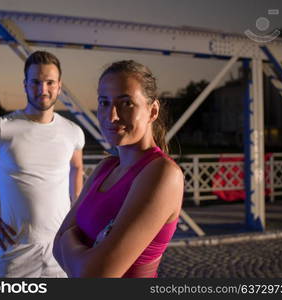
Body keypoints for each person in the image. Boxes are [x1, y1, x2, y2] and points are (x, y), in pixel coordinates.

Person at [0, 51, 85, 278]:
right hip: (16, 250)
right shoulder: (1, 128)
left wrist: (79, 215)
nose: (43, 89)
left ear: (59, 86)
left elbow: (77, 168)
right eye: (35, 82)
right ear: (25, 85)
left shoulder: (73, 132)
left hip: (61, 248)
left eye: (49, 82)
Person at [53, 60, 184, 278]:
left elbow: (94, 276)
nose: (112, 116)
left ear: (152, 111)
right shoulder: (106, 167)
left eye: (126, 103)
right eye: (104, 103)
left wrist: (68, 238)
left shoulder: (162, 173)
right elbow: (55, 249)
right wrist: (78, 255)